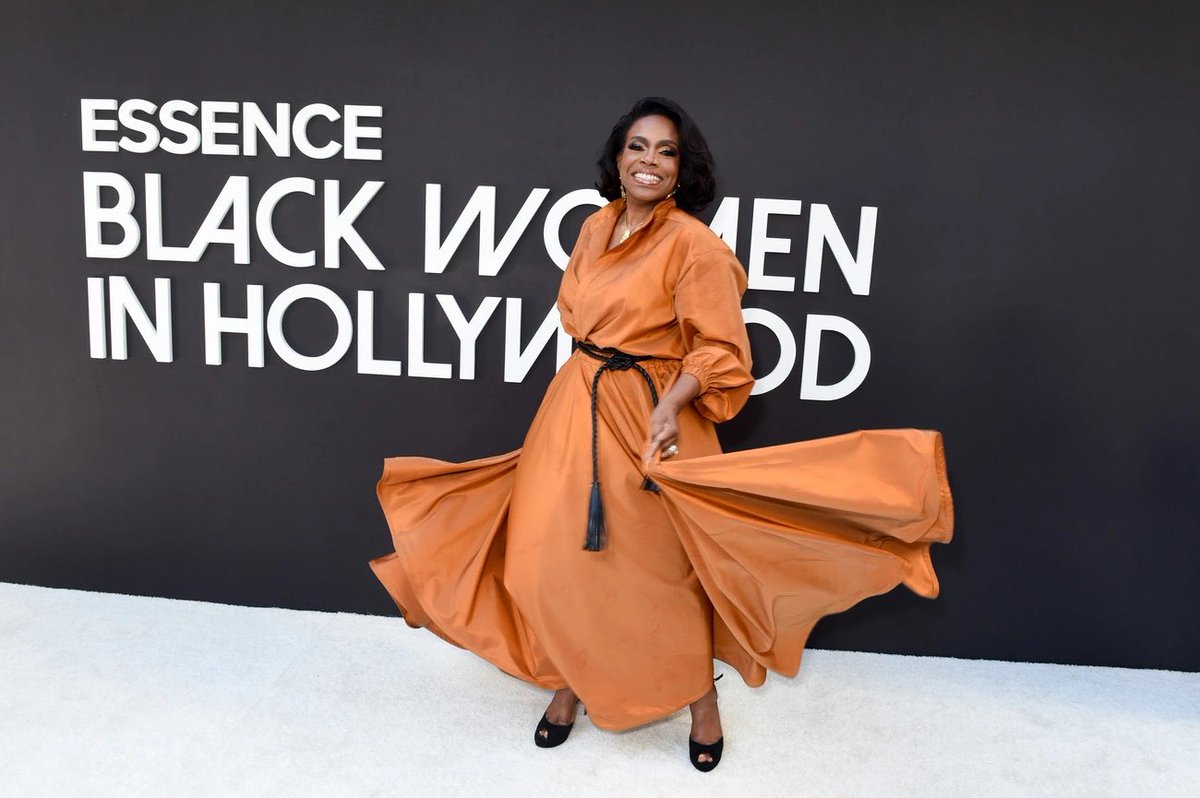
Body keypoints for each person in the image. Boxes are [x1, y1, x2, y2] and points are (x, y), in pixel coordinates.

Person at [370, 97, 953, 772]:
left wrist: (673, 402)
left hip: (652, 422)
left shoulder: (695, 247)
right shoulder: (595, 226)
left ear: (682, 170)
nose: (649, 161)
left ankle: (701, 702)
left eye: (665, 151)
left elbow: (723, 352)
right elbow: (576, 316)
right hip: (574, 408)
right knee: (548, 559)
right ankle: (571, 682)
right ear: (617, 160)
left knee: (656, 577)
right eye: (638, 147)